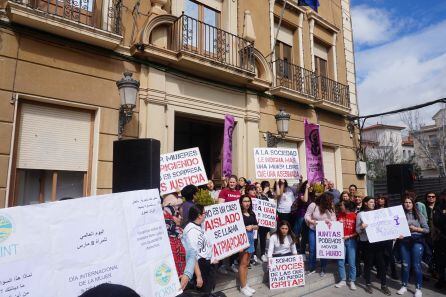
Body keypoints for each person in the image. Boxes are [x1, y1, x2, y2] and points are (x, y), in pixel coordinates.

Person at [356, 196, 391, 295]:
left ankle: (384, 285)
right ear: (365, 203)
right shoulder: (360, 214)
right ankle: (368, 284)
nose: (373, 203)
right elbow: (357, 230)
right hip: (367, 243)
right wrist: (362, 227)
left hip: (378, 242)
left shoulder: (377, 213)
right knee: (368, 264)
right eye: (371, 202)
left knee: (382, 265)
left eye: (373, 202)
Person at [397, 195, 430, 297]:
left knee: (416, 266)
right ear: (403, 204)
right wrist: (398, 235)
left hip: (417, 241)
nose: (407, 204)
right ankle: (404, 286)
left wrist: (415, 229)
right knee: (405, 265)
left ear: (413, 204)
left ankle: (418, 288)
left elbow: (427, 229)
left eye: (409, 202)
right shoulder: (399, 215)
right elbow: (395, 229)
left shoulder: (419, 215)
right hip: (404, 242)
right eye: (406, 202)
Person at [183, 205, 214, 293]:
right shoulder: (191, 231)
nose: (206, 215)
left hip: (206, 264)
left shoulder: (199, 226)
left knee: (207, 290)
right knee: (202, 292)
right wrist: (199, 276)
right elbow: (192, 256)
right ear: (199, 215)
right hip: (200, 267)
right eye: (205, 213)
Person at [304, 192, 336, 276]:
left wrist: (330, 221)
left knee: (323, 249)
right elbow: (307, 215)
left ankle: (323, 268)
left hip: (324, 232)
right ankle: (311, 268)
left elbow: (334, 218)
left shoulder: (331, 207)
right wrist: (310, 221)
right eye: (330, 200)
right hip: (313, 230)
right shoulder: (313, 205)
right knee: (312, 249)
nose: (331, 202)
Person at [335, 200, 357, 290]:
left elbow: (358, 231)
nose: (341, 207)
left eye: (342, 205)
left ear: (346, 206)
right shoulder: (339, 215)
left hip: (351, 241)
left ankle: (352, 281)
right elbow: (334, 226)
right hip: (340, 241)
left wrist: (349, 236)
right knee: (340, 261)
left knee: (352, 262)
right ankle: (343, 280)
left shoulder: (354, 216)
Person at [239, 195, 259, 297]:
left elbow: (257, 226)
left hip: (251, 239)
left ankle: (245, 284)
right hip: (243, 240)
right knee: (243, 264)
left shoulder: (252, 213)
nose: (247, 203)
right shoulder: (238, 214)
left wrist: (252, 226)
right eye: (245, 201)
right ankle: (242, 286)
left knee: (247, 263)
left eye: (248, 201)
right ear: (241, 203)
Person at [375, 194, 398, 280]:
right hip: (378, 236)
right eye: (379, 199)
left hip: (388, 236)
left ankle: (393, 272)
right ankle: (380, 272)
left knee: (390, 255)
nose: (380, 200)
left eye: (382, 199)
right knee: (379, 255)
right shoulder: (374, 210)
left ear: (385, 200)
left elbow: (393, 222)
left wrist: (395, 234)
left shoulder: (389, 210)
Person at [291, 180, 310, 254]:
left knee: (305, 234)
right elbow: (305, 200)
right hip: (301, 215)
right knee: (297, 233)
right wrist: (307, 189)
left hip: (309, 217)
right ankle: (295, 248)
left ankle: (302, 250)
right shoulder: (301, 193)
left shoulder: (312, 194)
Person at [433, 189, 446, 289]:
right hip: (441, 239)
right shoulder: (438, 207)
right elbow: (437, 221)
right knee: (440, 261)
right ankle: (441, 279)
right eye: (443, 195)